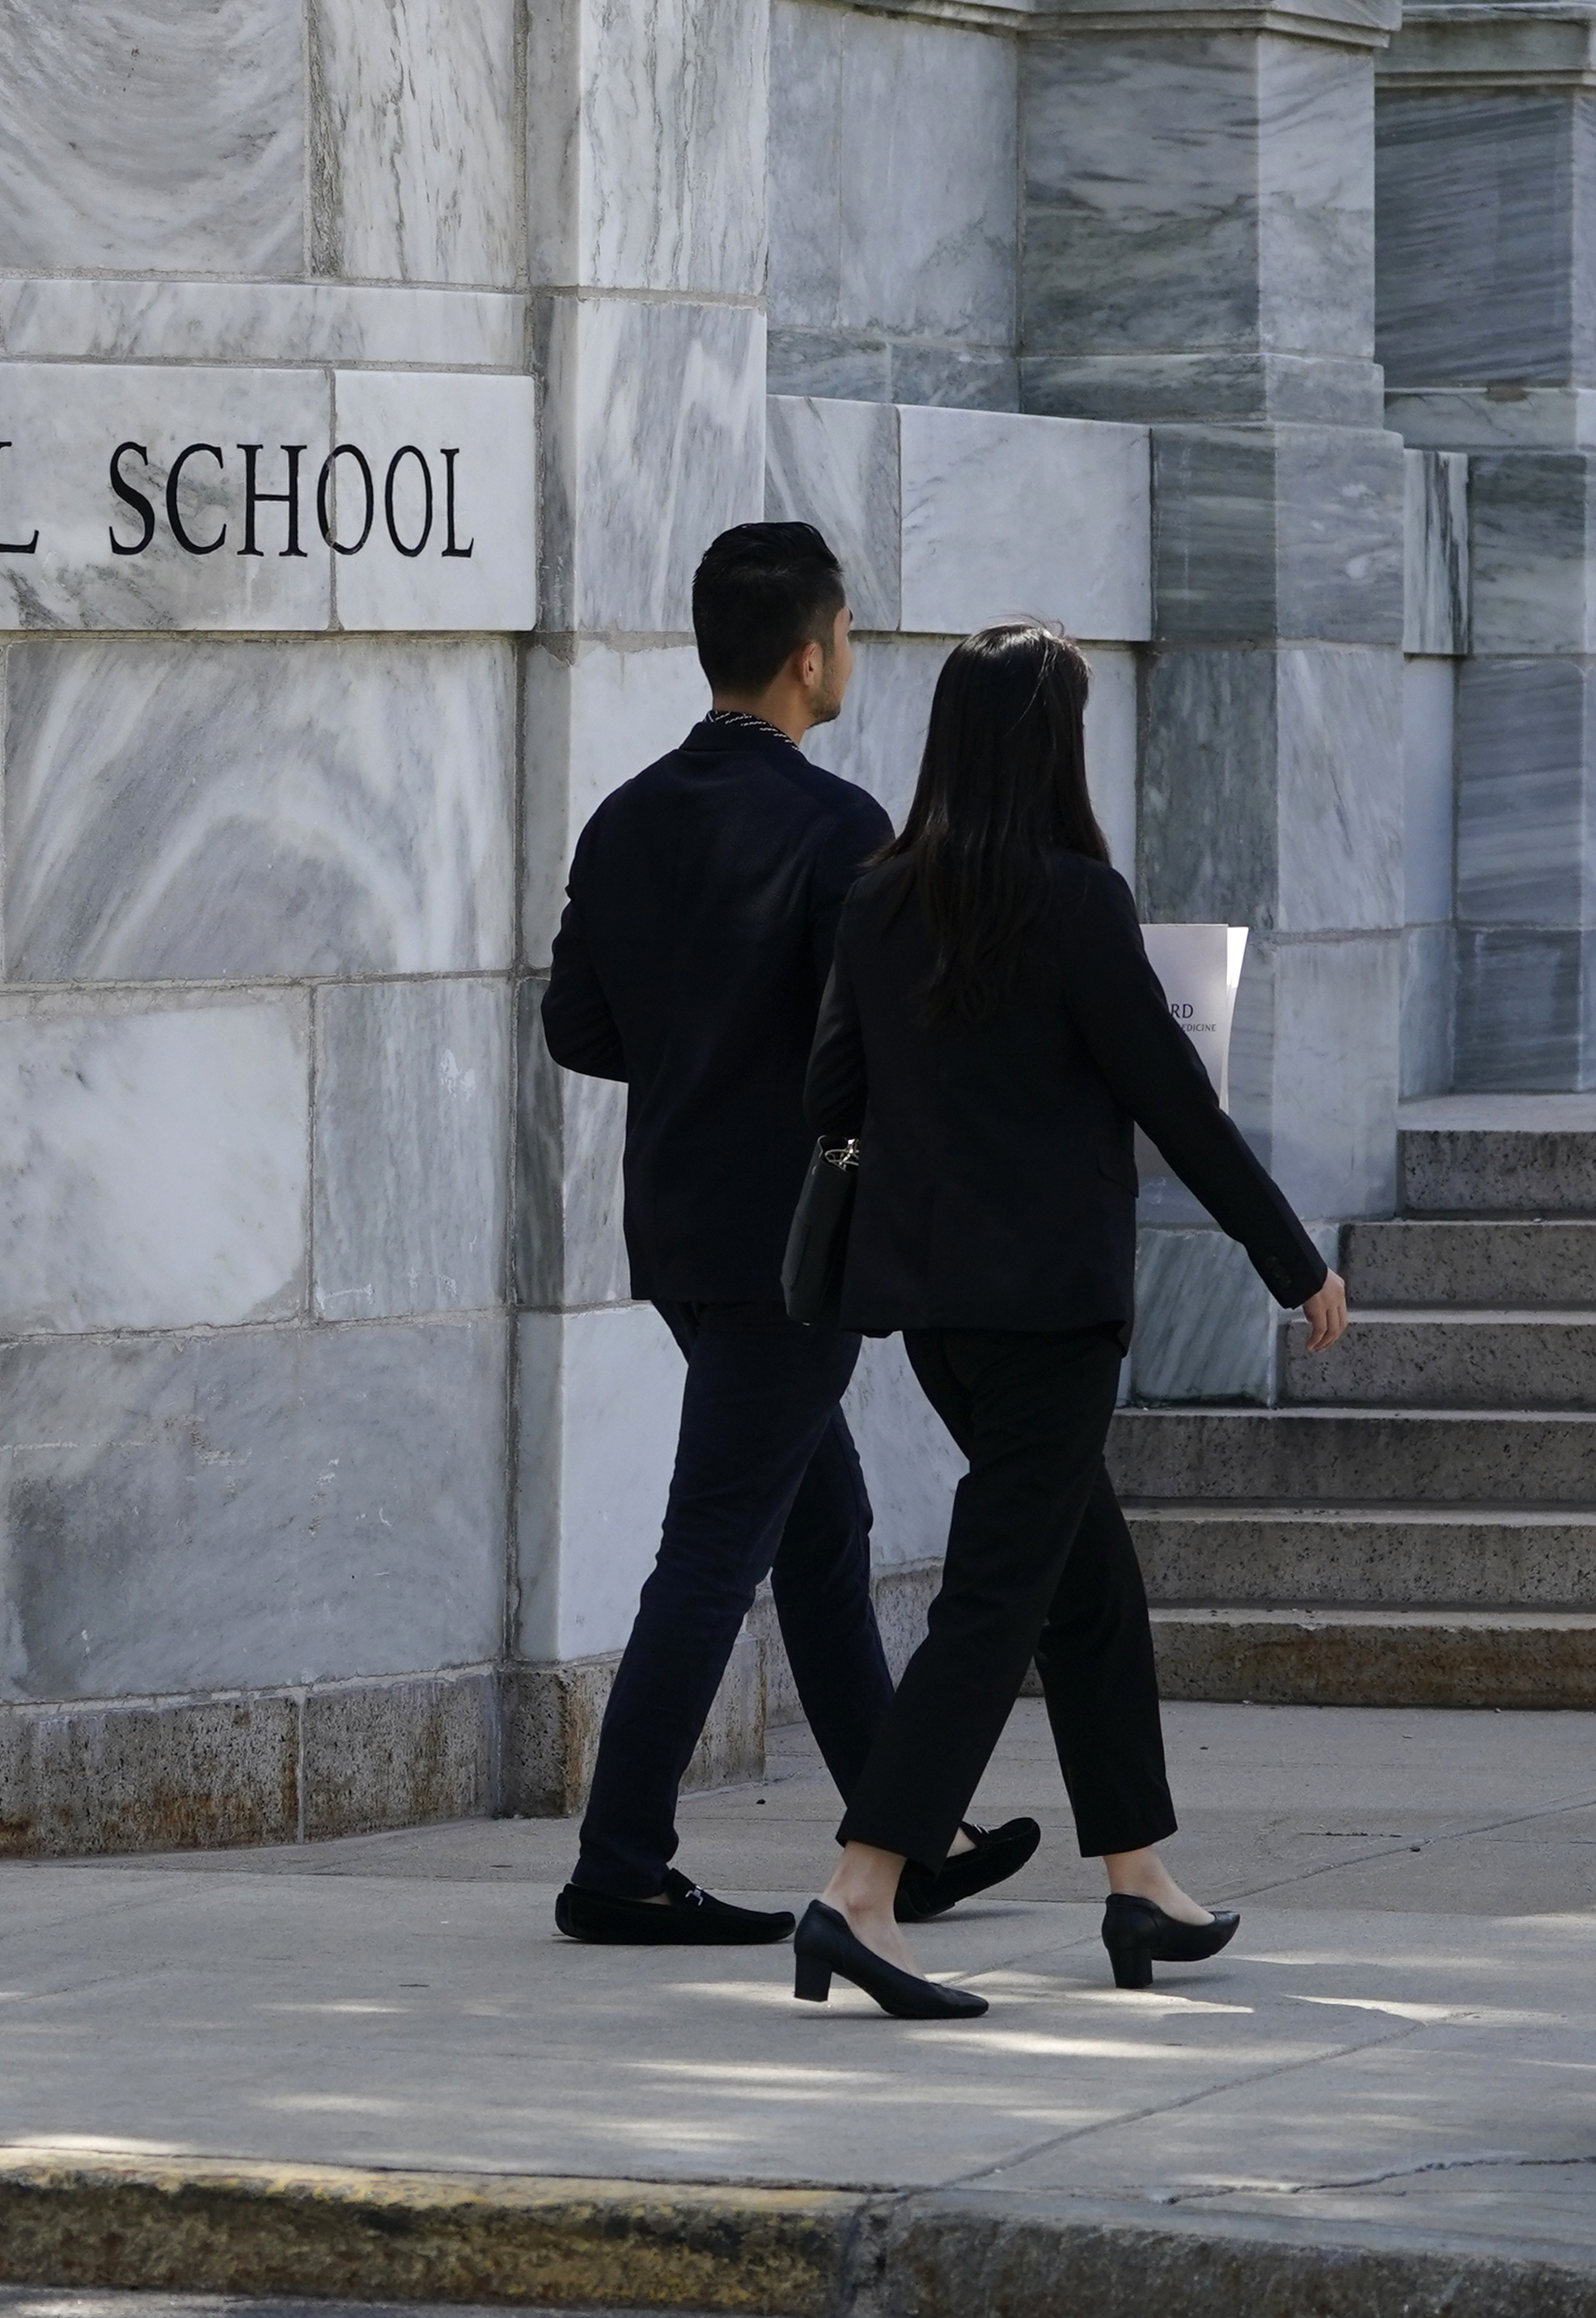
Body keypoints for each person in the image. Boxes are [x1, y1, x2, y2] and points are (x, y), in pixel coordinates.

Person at [791, 621, 1349, 2020]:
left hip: (931, 1308)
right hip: (1049, 1308)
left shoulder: (877, 898)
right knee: (996, 1593)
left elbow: (829, 1101)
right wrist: (1293, 1262)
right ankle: (860, 1891)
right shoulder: (1077, 902)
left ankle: (1137, 1877)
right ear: (1053, 743)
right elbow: (1178, 1106)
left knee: (1082, 1584)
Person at [541, 523, 1039, 1947]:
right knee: (714, 1546)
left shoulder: (624, 816)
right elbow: (889, 1038)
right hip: (798, 1243)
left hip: (684, 1230)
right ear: (811, 653)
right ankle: (618, 1860)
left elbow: (577, 1025)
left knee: (820, 1530)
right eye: (847, 637)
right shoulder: (837, 825)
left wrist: (701, 1050)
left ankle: (909, 1830)